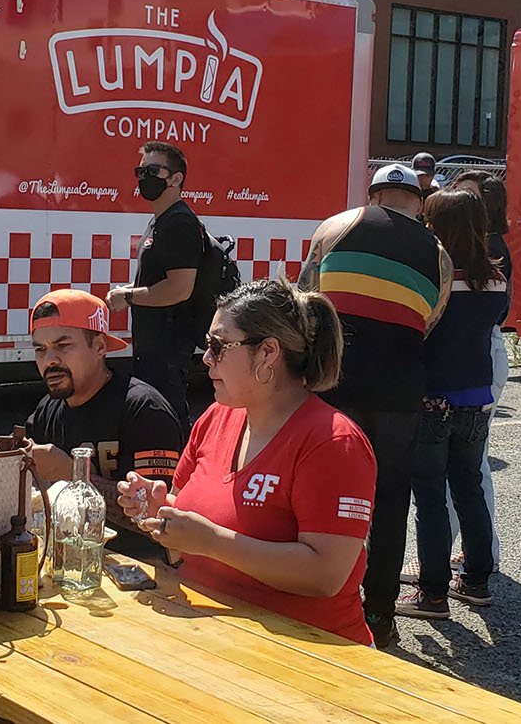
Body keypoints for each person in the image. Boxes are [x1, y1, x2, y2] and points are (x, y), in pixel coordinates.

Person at [115, 279, 378, 646]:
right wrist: (163, 511)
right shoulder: (215, 418)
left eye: (218, 346)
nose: (205, 358)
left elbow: (326, 574)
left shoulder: (333, 442)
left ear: (268, 353)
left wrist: (212, 542)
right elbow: (193, 533)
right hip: (215, 637)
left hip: (309, 655)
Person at [296, 161, 453, 648]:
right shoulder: (440, 255)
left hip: (335, 385)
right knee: (388, 504)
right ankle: (380, 614)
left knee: (317, 494)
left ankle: (313, 598)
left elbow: (306, 302)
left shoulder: (337, 226)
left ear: (375, 195)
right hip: (399, 393)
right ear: (419, 202)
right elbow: (429, 320)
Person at [397, 190, 506, 619]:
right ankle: (476, 580)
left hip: (434, 395)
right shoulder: (494, 275)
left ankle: (433, 593)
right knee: (469, 488)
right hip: (478, 394)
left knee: (429, 494)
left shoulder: (434, 277)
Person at [24, 289, 185, 536]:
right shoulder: (47, 410)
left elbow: (158, 519)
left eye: (63, 346)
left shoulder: (144, 410)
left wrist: (72, 473)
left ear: (100, 347)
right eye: (40, 350)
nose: (50, 360)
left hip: (137, 565)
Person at [107, 141, 208, 428]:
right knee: (154, 419)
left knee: (167, 422)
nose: (143, 178)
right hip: (152, 346)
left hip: (168, 348)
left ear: (176, 179)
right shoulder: (160, 221)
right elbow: (160, 279)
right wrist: (129, 289)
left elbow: (179, 288)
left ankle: (180, 472)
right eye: (140, 171)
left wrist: (128, 297)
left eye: (153, 171)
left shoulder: (179, 223)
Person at [445, 171, 512, 572]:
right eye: (457, 194)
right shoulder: (472, 246)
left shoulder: (489, 248)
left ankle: (476, 554)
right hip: (480, 356)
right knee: (471, 464)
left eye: (470, 196)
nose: (460, 202)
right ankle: (478, 553)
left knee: (467, 465)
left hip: (483, 351)